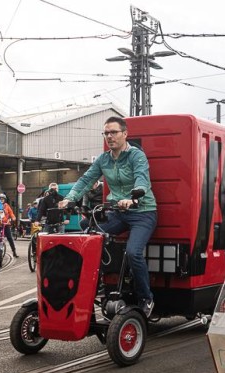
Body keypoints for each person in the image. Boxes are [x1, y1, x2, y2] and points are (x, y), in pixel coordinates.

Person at [58, 116, 158, 317]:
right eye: (106, 133)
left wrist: (133, 197)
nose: (109, 137)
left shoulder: (136, 156)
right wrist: (69, 199)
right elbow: (86, 180)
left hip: (142, 212)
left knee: (133, 252)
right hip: (118, 213)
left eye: (114, 132)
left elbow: (142, 178)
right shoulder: (103, 159)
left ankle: (146, 298)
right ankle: (98, 285)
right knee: (89, 239)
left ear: (125, 134)